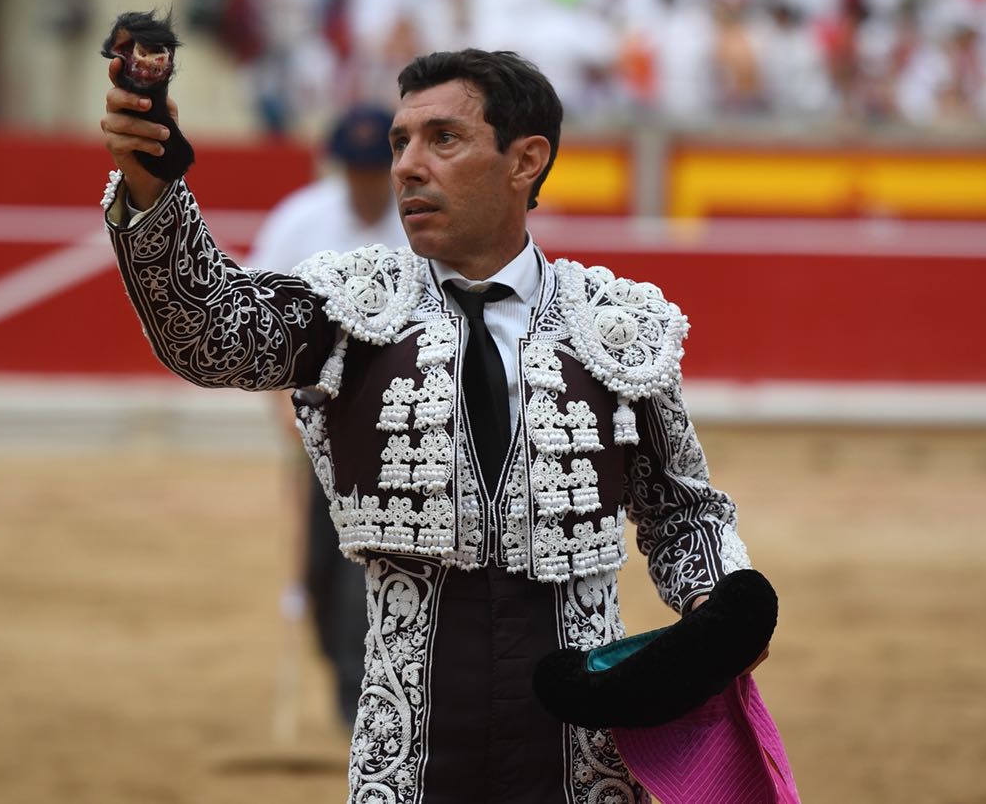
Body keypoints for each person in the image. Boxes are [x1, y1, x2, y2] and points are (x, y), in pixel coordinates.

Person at [99, 47, 756, 803]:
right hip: (407, 759)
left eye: (443, 138)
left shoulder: (612, 326)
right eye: (399, 142)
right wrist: (153, 188)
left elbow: (684, 514)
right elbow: (207, 335)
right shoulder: (351, 307)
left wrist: (719, 617)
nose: (407, 166)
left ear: (525, 160)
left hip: (582, 759)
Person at [246, 105, 404, 729]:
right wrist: (279, 408)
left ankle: (360, 696)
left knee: (362, 565)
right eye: (358, 169)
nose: (367, 183)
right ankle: (342, 668)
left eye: (376, 169)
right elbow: (257, 326)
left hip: (399, 424)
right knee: (318, 565)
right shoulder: (300, 220)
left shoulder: (428, 221)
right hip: (316, 419)